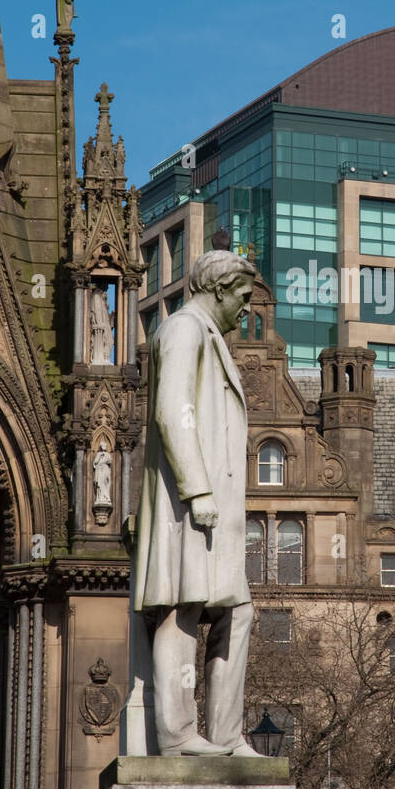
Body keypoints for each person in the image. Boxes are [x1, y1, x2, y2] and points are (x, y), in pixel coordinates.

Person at [134, 250, 262, 757]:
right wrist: (199, 489)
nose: (248, 309)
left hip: (213, 513)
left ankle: (227, 737)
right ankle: (177, 734)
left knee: (238, 611)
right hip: (189, 505)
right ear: (219, 288)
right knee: (181, 609)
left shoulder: (207, 335)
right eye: (244, 297)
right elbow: (172, 412)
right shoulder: (184, 328)